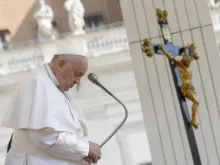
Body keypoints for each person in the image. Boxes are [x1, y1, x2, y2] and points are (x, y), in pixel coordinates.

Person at [1, 45, 101, 165]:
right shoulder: (37, 82)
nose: (78, 81)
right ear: (61, 64)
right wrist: (85, 148)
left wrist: (81, 155)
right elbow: (45, 137)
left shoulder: (58, 88)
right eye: (77, 74)